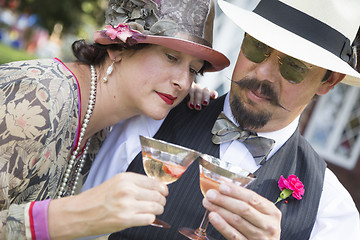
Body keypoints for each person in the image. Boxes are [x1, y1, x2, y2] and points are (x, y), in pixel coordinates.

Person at [84, 0, 360, 239]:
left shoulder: (331, 209)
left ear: (329, 81)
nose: (263, 73)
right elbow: (79, 222)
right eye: (256, 47)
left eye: (293, 67)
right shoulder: (152, 121)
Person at [0, 0, 230, 239]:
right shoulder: (37, 98)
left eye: (193, 70)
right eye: (171, 57)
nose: (183, 82)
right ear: (118, 48)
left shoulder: (107, 122)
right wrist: (72, 216)